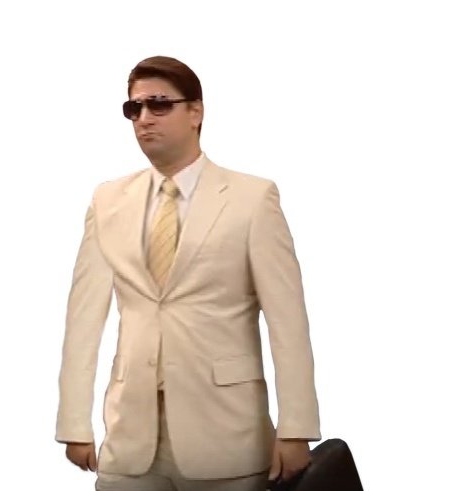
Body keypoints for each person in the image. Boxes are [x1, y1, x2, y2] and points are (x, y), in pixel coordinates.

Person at [55, 55, 321, 491]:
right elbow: (83, 317)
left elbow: (287, 322)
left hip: (226, 434)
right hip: (130, 435)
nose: (144, 118)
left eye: (159, 104)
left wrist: (296, 428)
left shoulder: (252, 199)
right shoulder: (108, 200)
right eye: (134, 108)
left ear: (196, 112)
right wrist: (73, 421)